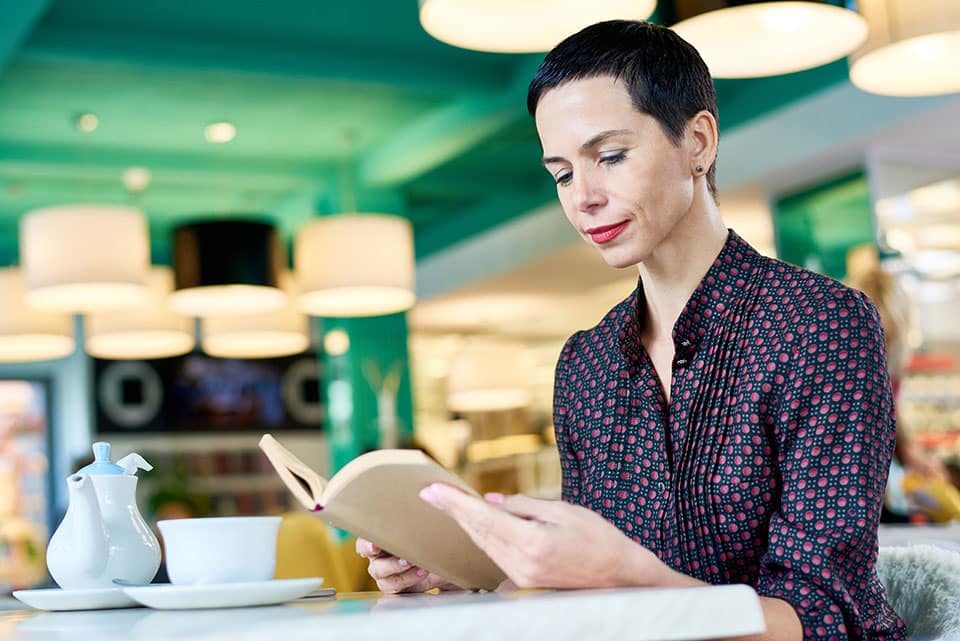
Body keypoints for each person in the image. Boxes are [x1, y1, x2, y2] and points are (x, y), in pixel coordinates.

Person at [358, 20, 906, 641]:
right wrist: (469, 575)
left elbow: (826, 620)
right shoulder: (585, 364)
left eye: (610, 157)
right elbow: (583, 596)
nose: (583, 197)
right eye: (562, 174)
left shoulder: (819, 324)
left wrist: (629, 572)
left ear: (698, 141)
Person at [846, 264, 949, 521]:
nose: (879, 348)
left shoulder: (891, 369)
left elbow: (889, 410)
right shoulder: (833, 373)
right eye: (871, 336)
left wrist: (910, 453)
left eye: (887, 338)